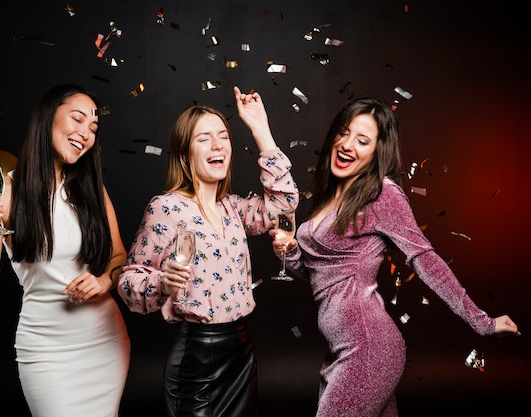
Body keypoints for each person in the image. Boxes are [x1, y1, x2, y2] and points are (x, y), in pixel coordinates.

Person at [271, 96, 521, 417]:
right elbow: (320, 274)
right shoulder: (329, 195)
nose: (347, 145)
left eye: (362, 140)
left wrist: (481, 322)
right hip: (339, 351)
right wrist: (289, 248)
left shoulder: (381, 193)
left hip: (368, 349)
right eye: (344, 133)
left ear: (378, 151)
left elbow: (424, 258)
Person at [117, 86, 299, 417]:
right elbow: (128, 282)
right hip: (196, 360)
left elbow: (284, 204)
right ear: (185, 153)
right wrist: (163, 284)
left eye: (223, 137)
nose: (217, 145)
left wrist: (261, 130)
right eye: (204, 139)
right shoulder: (166, 207)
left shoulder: (233, 208)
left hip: (242, 351)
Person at [0, 84, 131, 417]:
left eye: (93, 127)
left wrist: (101, 282)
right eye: (77, 119)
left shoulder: (91, 190)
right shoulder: (8, 191)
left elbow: (118, 257)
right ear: (47, 117)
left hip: (104, 343)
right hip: (45, 350)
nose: (86, 133)